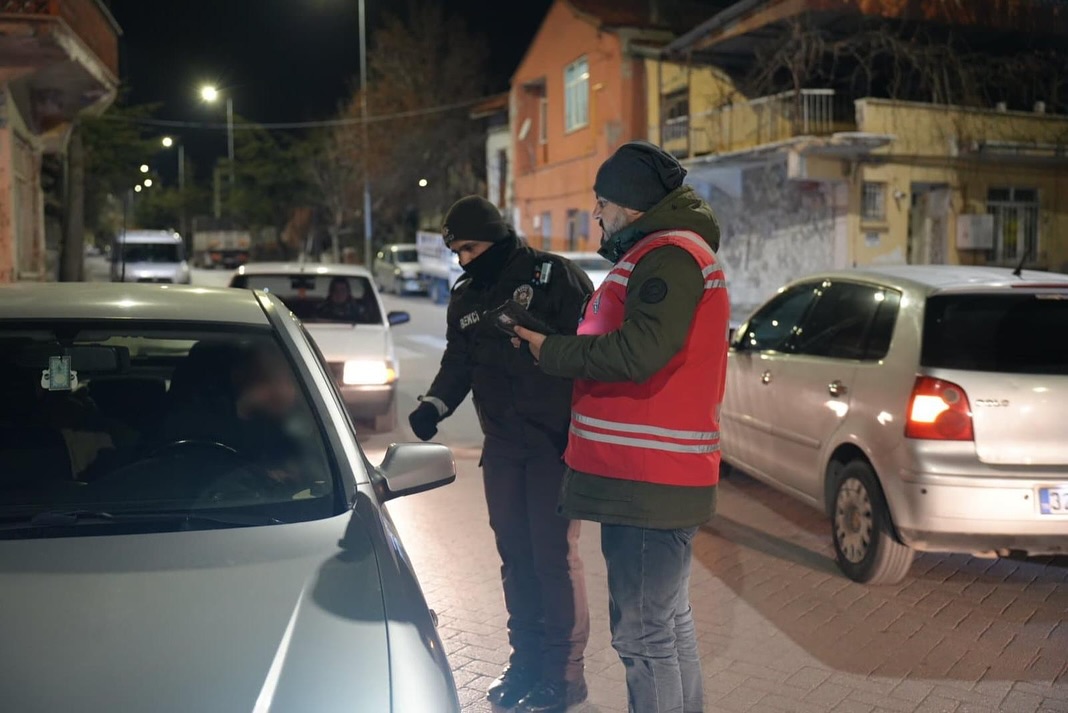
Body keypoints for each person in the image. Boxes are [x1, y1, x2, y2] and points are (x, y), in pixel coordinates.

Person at [513, 140, 729, 713]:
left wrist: (549, 352)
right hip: (651, 477)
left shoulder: (669, 256)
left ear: (630, 207)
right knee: (667, 625)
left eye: (602, 203)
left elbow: (639, 352)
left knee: (644, 637)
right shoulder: (663, 254)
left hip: (647, 481)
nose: (598, 216)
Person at [408, 196, 593, 712]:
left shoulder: (555, 277)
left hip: (554, 442)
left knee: (552, 558)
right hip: (504, 447)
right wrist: (434, 404)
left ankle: (564, 675)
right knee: (516, 558)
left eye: (470, 247)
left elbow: (590, 349)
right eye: (457, 252)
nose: (464, 259)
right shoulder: (466, 295)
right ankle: (526, 663)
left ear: (494, 234)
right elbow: (458, 361)